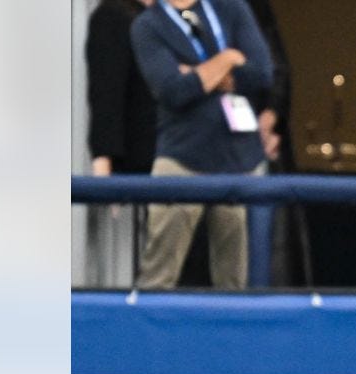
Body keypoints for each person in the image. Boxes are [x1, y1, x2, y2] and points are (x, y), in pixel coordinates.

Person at [129, 0, 273, 289]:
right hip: (181, 157)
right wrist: (228, 58)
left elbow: (262, 74)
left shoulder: (231, 8)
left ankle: (232, 333)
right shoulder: (148, 24)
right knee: (159, 274)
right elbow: (172, 90)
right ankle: (146, 331)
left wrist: (197, 73)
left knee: (236, 279)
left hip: (239, 161)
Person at [84, 0, 157, 287]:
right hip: (140, 170)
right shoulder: (113, 15)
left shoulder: (171, 18)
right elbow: (105, 96)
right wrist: (104, 164)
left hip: (180, 159)